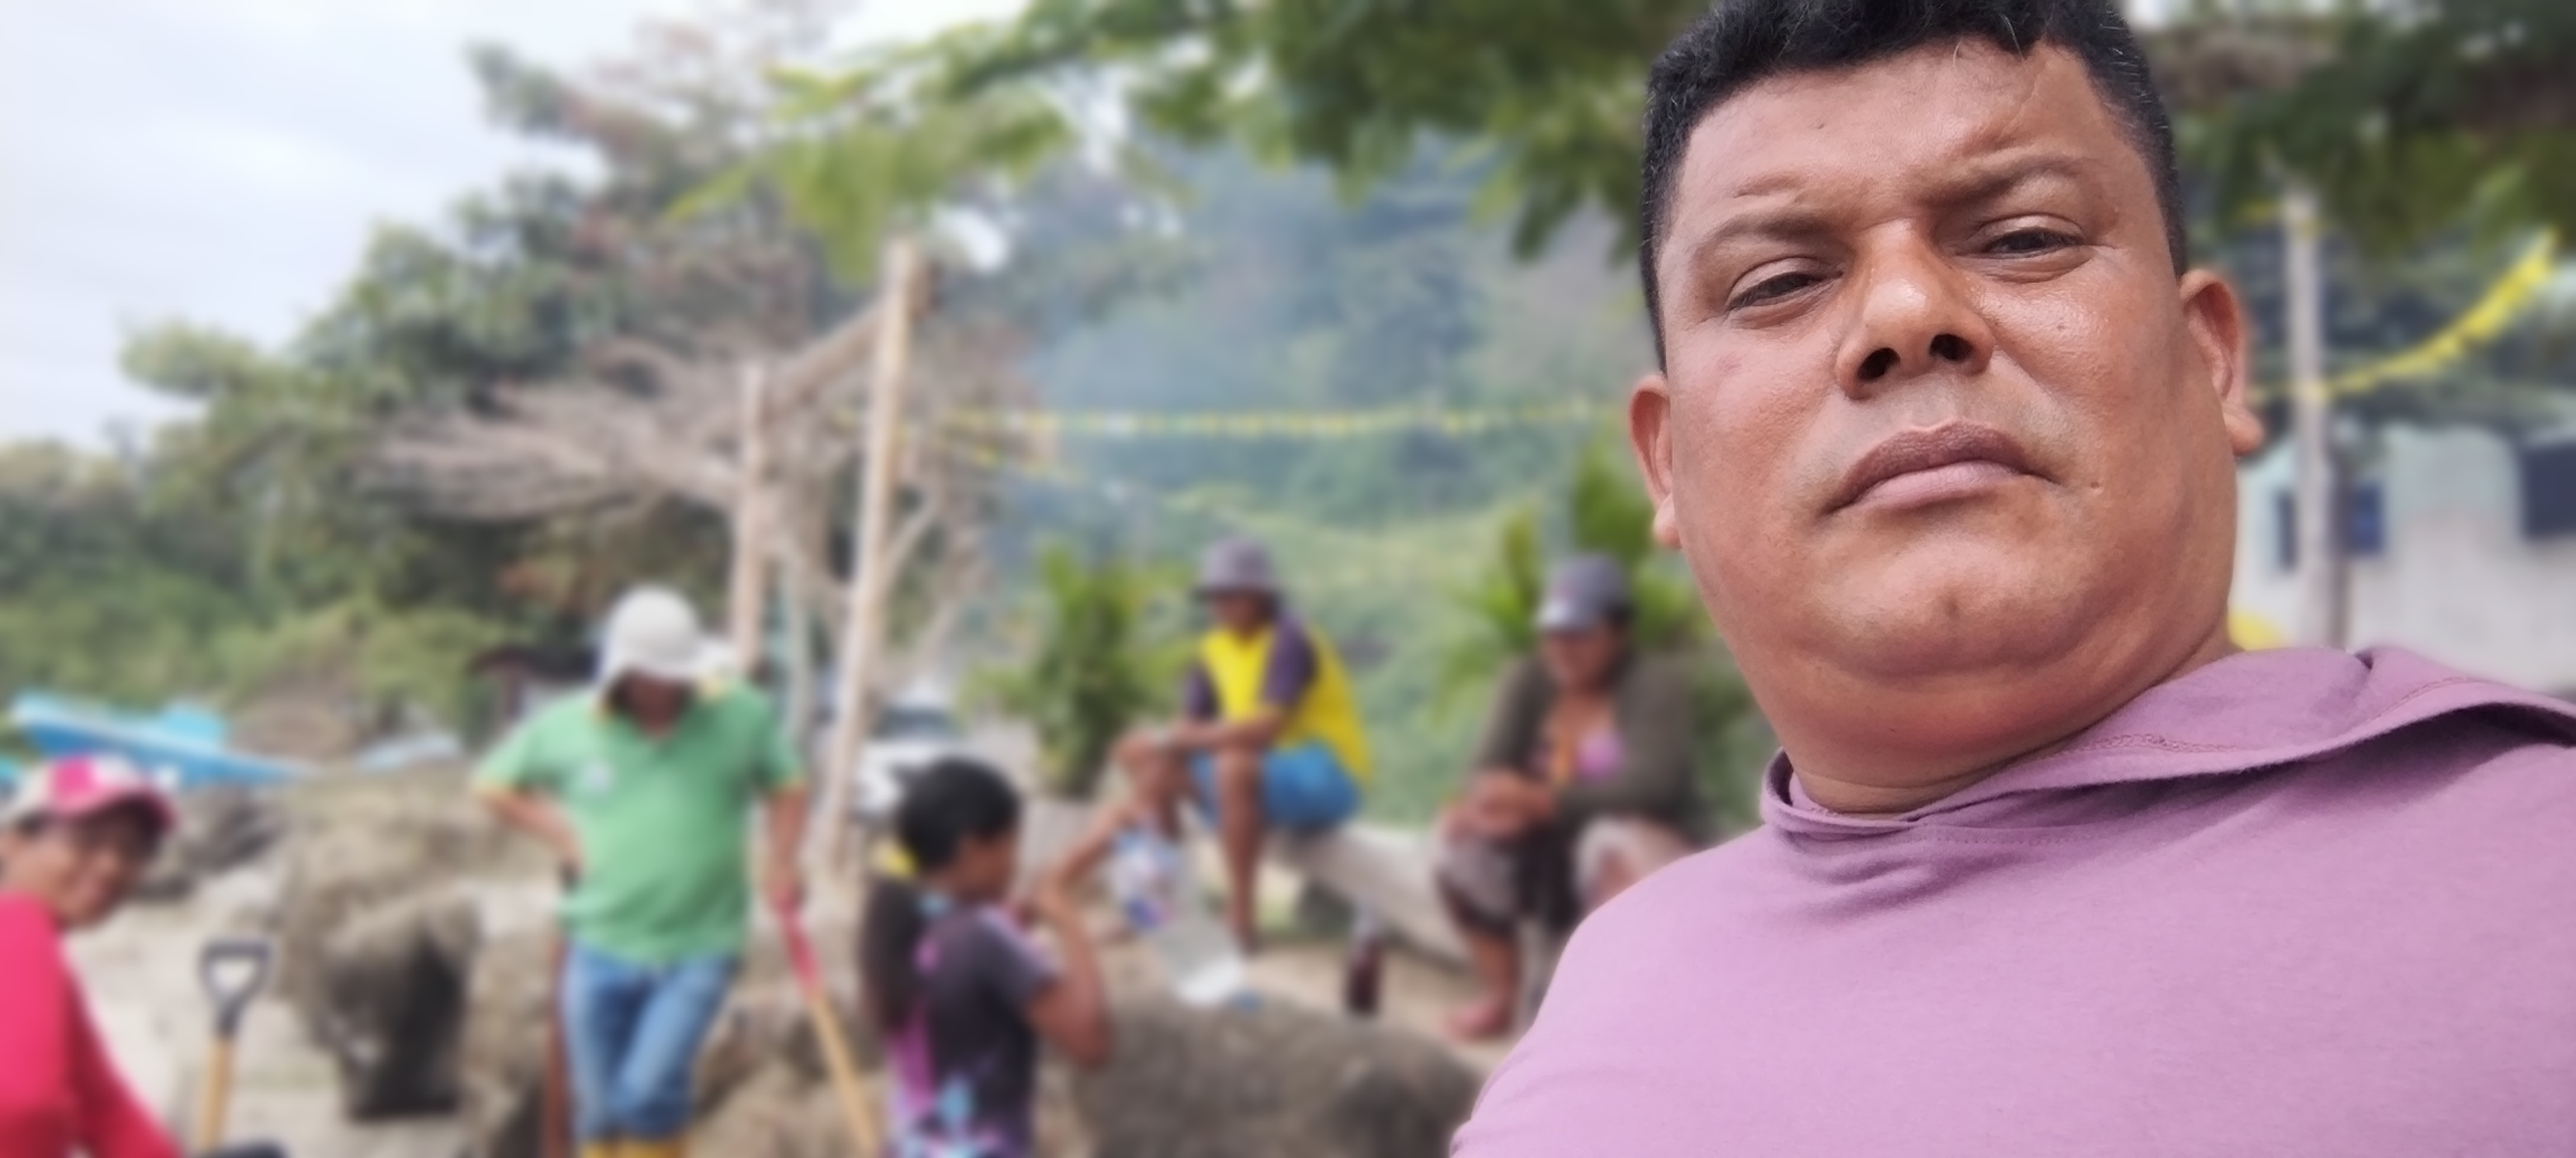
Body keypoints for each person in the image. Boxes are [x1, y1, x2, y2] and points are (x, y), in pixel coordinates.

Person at [1454, 1, 2576, 1154]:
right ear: (1666, 462)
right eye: (1778, 280)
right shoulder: (1614, 991)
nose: (1904, 315)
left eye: (2024, 237)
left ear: (2210, 358)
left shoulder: (2539, 868)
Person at [476, 586, 808, 1158]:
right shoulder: (570, 725)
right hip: (599, 942)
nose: (664, 687)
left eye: (675, 675)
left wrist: (783, 857)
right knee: (600, 1109)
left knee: (647, 1093)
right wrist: (562, 834)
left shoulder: (740, 714)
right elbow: (492, 785)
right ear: (622, 671)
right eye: (651, 676)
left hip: (700, 942)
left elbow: (788, 785)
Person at [1434, 554, 1702, 1040]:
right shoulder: (1528, 679)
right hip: (1538, 842)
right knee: (1456, 843)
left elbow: (1652, 784)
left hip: (1638, 840)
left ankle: (1616, 1012)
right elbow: (1488, 764)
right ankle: (1503, 994)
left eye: (1579, 634)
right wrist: (1490, 804)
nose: (1562, 647)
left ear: (1617, 633)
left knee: (1611, 842)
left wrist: (1544, 803)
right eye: (1554, 633)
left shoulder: (1653, 686)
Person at [1112, 535, 1371, 950]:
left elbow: (1264, 729)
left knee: (1233, 763)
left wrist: (1179, 737)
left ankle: (1242, 920)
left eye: (1230, 595)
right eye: (1213, 597)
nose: (1219, 605)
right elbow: (1187, 726)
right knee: (1149, 758)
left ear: (1260, 594)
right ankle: (1165, 903)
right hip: (1259, 776)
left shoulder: (1290, 637)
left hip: (1328, 773)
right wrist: (1159, 747)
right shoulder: (1213, 648)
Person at [858, 757, 1109, 1157]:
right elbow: (1090, 1043)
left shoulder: (899, 923)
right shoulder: (984, 934)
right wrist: (1067, 920)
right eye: (1010, 846)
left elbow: (1002, 931)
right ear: (972, 848)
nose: (1015, 865)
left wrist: (1092, 847)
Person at [0, 754, 183, 1158]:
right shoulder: (17, 923)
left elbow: (107, 1110)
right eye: (86, 840)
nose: (111, 866)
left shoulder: (47, 965)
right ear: (14, 844)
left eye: (133, 850)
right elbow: (22, 1109)